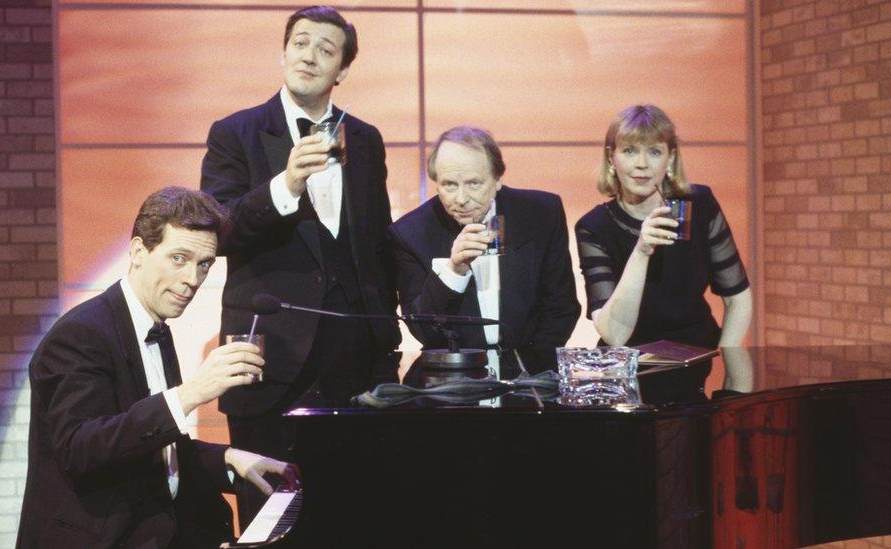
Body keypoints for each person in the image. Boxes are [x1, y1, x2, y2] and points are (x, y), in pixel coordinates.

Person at [200, 5, 400, 525]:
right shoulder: (236, 133)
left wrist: (387, 349)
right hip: (269, 364)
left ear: (343, 71)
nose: (309, 56)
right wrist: (284, 185)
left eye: (326, 49)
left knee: (354, 519)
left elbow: (376, 249)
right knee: (274, 522)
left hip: (355, 368)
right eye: (301, 43)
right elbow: (218, 231)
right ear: (284, 51)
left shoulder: (366, 139)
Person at [17, 187, 293, 549]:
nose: (193, 279)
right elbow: (82, 450)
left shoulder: (157, 329)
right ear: (137, 252)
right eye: (179, 258)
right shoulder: (80, 334)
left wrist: (229, 458)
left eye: (204, 263)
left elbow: (157, 447)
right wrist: (192, 392)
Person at [390, 126, 581, 374]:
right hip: (453, 377)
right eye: (449, 185)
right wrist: (453, 271)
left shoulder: (542, 213)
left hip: (531, 373)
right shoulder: (410, 233)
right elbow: (424, 330)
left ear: (497, 179)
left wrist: (532, 370)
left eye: (473, 183)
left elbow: (561, 307)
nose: (461, 198)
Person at [575, 104, 752, 349]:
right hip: (629, 367)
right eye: (629, 151)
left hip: (696, 357)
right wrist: (642, 250)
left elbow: (737, 297)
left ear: (670, 158)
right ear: (611, 158)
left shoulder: (698, 204)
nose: (642, 164)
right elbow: (615, 336)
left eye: (654, 152)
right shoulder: (594, 227)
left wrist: (730, 364)